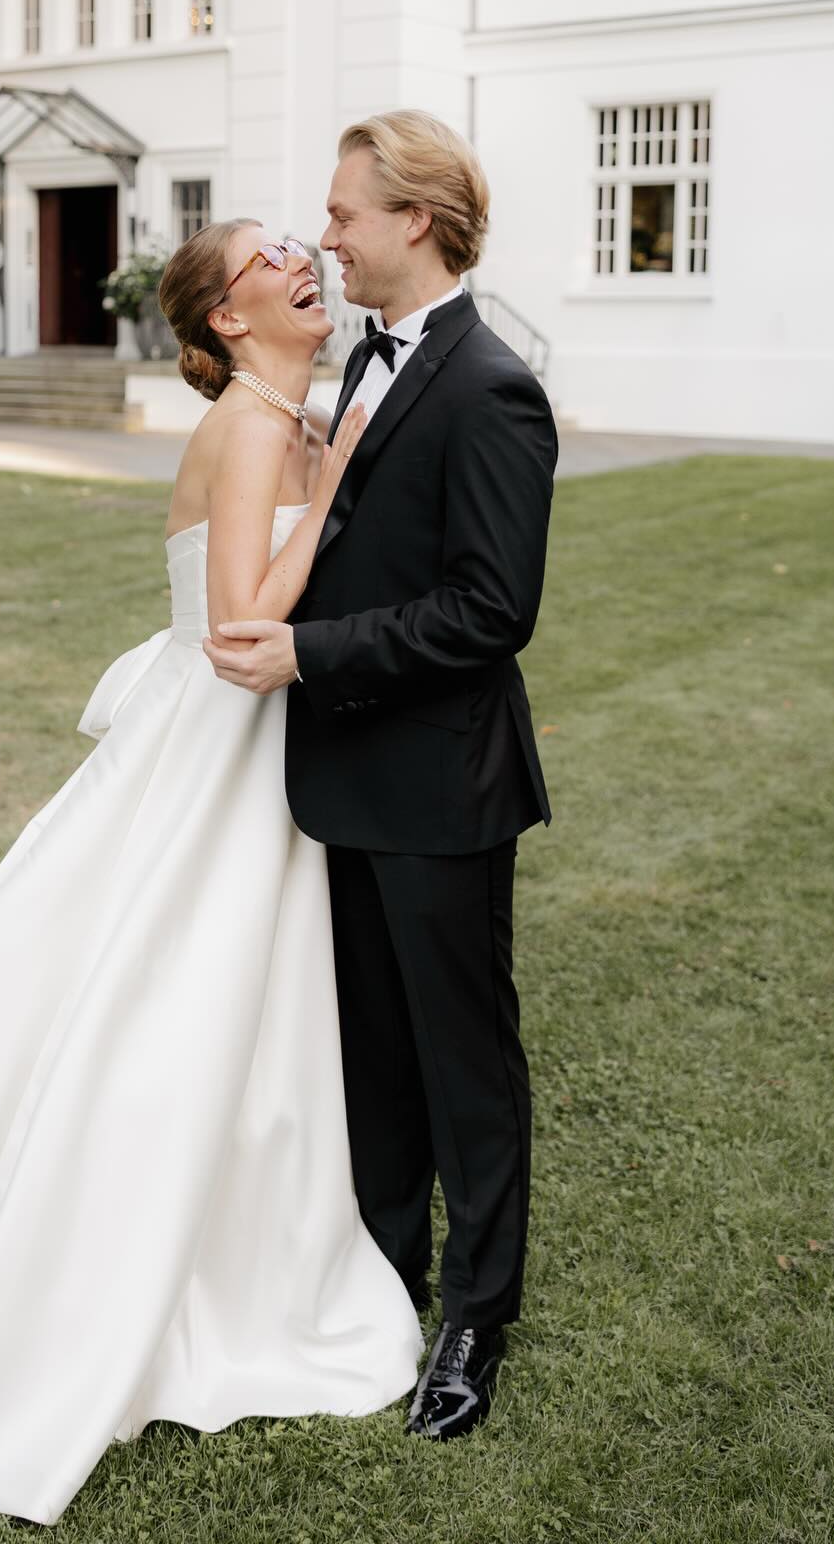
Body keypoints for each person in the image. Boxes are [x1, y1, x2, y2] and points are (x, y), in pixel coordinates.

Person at [0, 218, 422, 1527]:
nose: (304, 264)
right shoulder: (249, 426)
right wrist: (339, 479)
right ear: (227, 318)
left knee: (246, 1015)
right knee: (160, 1011)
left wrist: (340, 460)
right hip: (212, 751)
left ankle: (241, 1242)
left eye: (304, 245)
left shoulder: (295, 415)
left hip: (261, 749)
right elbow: (244, 624)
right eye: (268, 260)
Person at [205, 111, 558, 1442]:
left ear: (416, 218)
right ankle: (381, 1286)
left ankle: (476, 1321)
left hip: (443, 788)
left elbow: (490, 612)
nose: (329, 235)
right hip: (340, 779)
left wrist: (309, 651)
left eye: (346, 213)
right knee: (373, 1063)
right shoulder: (363, 361)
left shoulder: (490, 388)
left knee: (465, 1066)